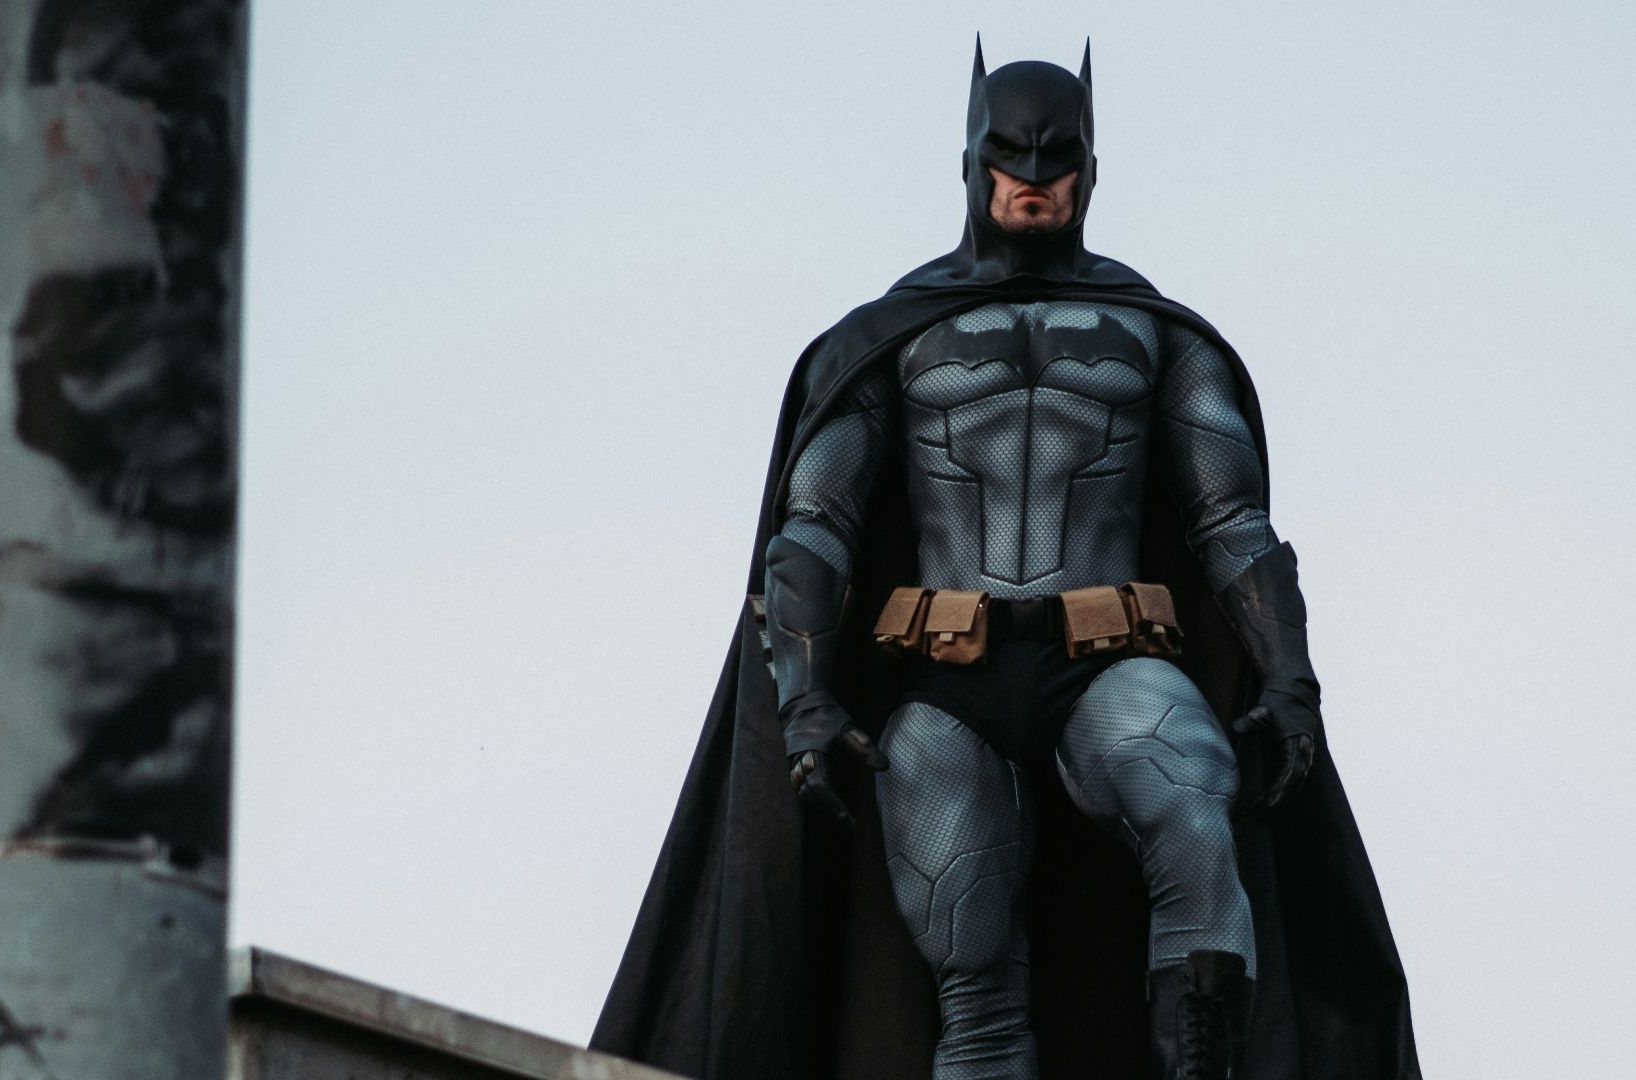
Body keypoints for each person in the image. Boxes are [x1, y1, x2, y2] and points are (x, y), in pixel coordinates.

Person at [593, 41, 1419, 1080]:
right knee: (967, 941)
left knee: (1195, 806)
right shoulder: (893, 336)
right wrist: (803, 693)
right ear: (974, 162)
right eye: (1012, 160)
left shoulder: (1156, 334)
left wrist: (1290, 676)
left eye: (1055, 161)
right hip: (945, 680)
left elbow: (1230, 522)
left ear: (1091, 169)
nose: (1033, 182)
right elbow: (815, 528)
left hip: (1108, 663)